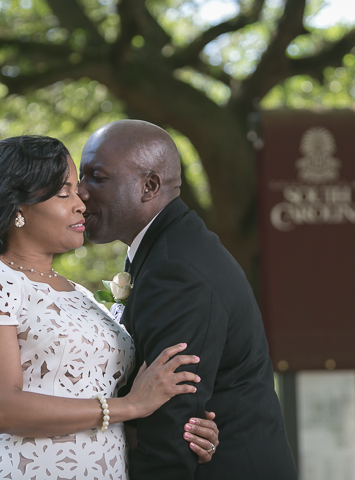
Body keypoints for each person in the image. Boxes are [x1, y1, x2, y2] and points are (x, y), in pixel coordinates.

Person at [0, 136, 219, 479]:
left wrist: (186, 433)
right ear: (17, 207)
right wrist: (130, 405)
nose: (81, 203)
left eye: (77, 190)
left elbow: (106, 415)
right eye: (64, 193)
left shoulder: (81, 295)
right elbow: (1, 409)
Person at [78, 120, 298, 480]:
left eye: (97, 177)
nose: (81, 192)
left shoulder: (175, 268)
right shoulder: (165, 249)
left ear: (149, 186)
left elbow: (172, 424)